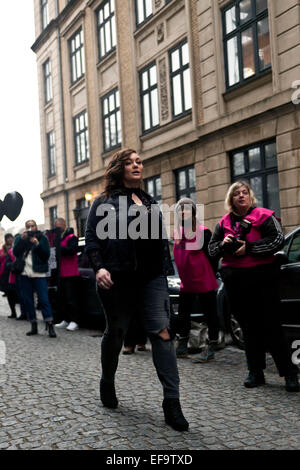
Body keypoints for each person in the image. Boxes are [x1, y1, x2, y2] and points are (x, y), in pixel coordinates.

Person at [85, 148, 189, 432]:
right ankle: (107, 380)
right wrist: (99, 268)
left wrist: (167, 272)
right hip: (116, 278)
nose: (136, 165)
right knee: (116, 332)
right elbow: (92, 237)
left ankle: (172, 402)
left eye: (139, 161)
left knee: (162, 332)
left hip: (151, 278)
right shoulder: (104, 202)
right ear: (119, 168)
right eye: (130, 162)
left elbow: (158, 241)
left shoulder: (149, 200)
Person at [208, 181, 299, 392]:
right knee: (249, 328)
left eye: (244, 192)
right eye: (237, 194)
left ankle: (290, 374)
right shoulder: (223, 223)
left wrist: (248, 248)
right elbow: (211, 251)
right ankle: (255, 372)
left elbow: (277, 241)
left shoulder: (264, 216)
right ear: (231, 199)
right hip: (235, 280)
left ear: (250, 196)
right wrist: (223, 245)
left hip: (263, 278)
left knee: (272, 326)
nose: (241, 196)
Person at [172, 198, 220, 362]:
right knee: (183, 313)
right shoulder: (178, 232)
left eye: (186, 209)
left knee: (210, 314)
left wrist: (212, 275)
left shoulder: (203, 231)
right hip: (187, 281)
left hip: (203, 279)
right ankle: (182, 346)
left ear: (192, 211)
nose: (183, 212)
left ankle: (211, 347)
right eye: (180, 209)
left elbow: (212, 255)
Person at [13, 220, 56, 338]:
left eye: (33, 226)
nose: (31, 228)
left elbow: (46, 255)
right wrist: (22, 240)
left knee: (43, 300)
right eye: (28, 226)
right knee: (28, 300)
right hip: (25, 274)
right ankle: (33, 325)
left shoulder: (43, 238)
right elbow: (16, 253)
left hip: (39, 273)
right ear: (25, 228)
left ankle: (50, 324)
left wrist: (37, 244)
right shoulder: (20, 238)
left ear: (36, 227)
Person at [53, 218, 80, 332]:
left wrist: (59, 248)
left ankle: (75, 321)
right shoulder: (58, 238)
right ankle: (66, 319)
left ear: (64, 225)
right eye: (56, 226)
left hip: (71, 273)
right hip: (61, 274)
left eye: (59, 226)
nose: (57, 228)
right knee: (63, 299)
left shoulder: (71, 237)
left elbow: (72, 250)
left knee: (71, 299)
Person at [0, 234, 18, 319]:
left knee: (15, 292)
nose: (10, 240)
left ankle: (20, 312)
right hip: (5, 274)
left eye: (11, 238)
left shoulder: (16, 248)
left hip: (14, 273)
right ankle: (13, 312)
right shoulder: (2, 250)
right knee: (9, 293)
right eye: (8, 238)